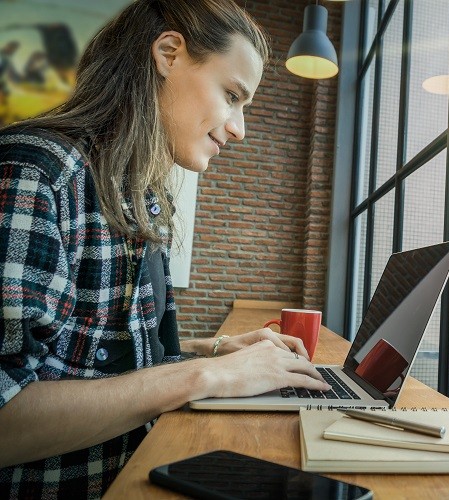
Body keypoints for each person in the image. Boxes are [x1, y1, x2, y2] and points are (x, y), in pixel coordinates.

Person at [0, 0, 330, 497]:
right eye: (231, 95)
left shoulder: (142, 198)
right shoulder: (36, 174)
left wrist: (216, 350)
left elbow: (92, 359)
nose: (239, 128)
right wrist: (206, 374)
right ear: (169, 53)